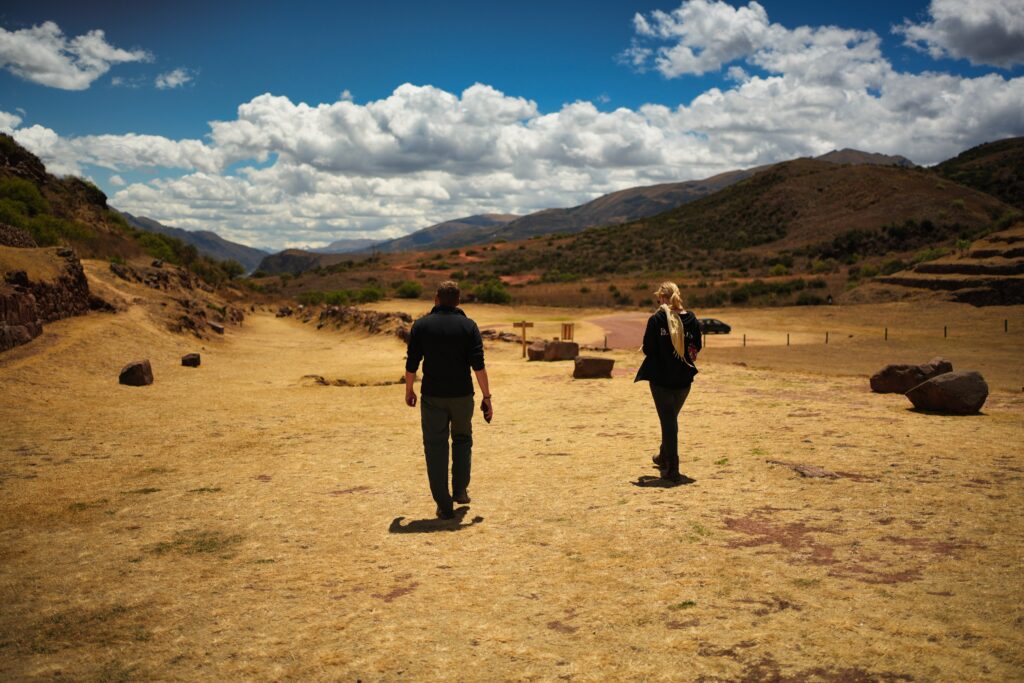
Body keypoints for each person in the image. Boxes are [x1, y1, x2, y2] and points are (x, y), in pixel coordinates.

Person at [404, 281, 493, 519]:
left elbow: (412, 361)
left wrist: (409, 389)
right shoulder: (469, 326)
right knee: (463, 440)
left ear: (436, 298)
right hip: (463, 396)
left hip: (433, 396)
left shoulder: (421, 326)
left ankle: (444, 505)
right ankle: (461, 489)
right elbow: (479, 365)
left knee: (435, 447)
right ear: (458, 301)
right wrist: (487, 397)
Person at [634, 282, 702, 483]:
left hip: (661, 379)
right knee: (670, 421)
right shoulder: (692, 319)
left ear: (662, 298)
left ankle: (672, 469)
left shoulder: (656, 319)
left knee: (669, 422)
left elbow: (648, 348)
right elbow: (696, 347)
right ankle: (664, 456)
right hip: (683, 380)